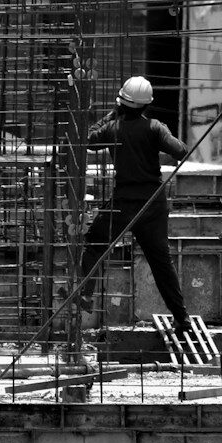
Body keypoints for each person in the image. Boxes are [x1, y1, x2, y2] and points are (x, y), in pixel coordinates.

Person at [80, 75, 191, 332]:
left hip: (124, 204)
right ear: (146, 104)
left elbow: (87, 139)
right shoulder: (154, 127)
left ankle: (85, 293)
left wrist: (110, 115)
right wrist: (161, 133)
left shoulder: (113, 129)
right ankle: (182, 318)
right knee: (161, 262)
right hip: (152, 204)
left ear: (122, 103)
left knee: (95, 243)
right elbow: (180, 150)